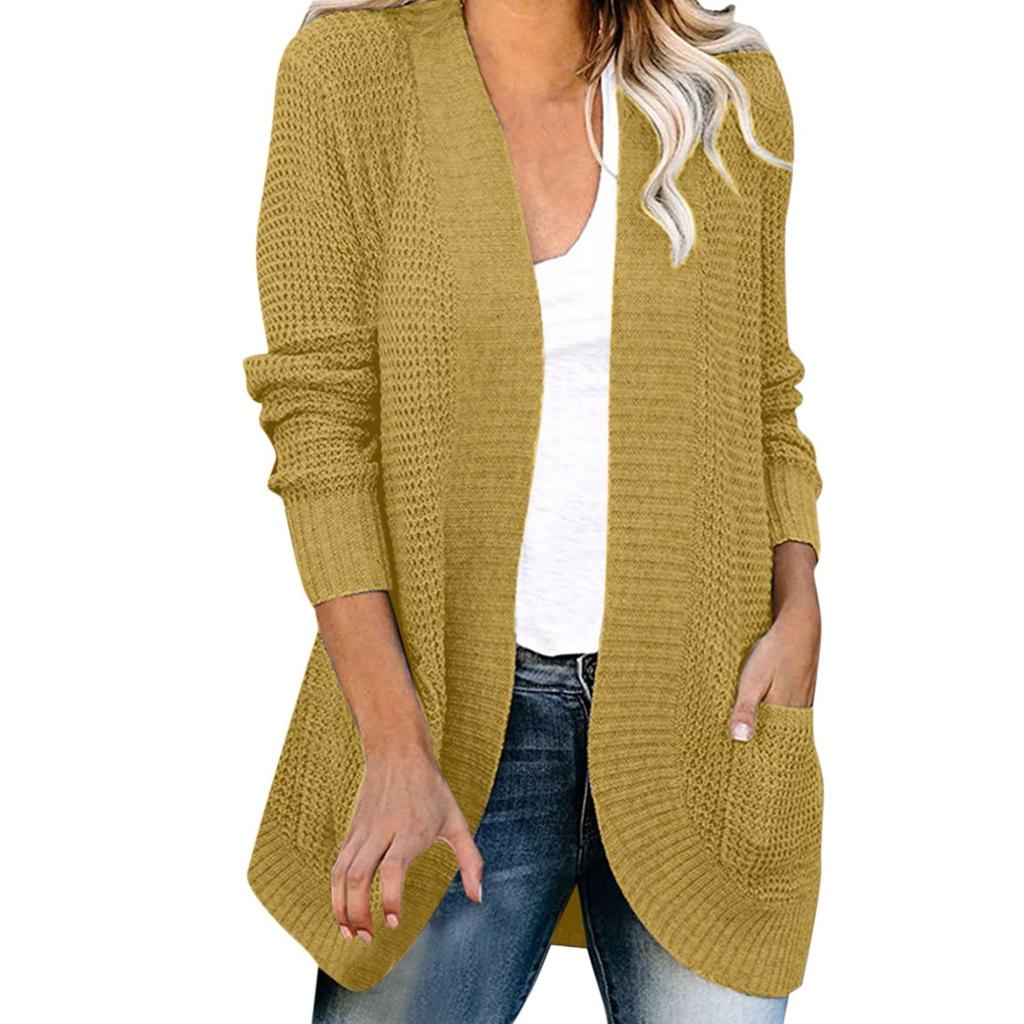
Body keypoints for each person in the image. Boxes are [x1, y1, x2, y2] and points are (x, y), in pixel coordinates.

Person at [242, 0, 825, 1020]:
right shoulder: (349, 74)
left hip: (705, 712)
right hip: (442, 723)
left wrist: (799, 593)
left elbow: (764, 387)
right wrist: (391, 743)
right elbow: (320, 425)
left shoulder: (724, 86)